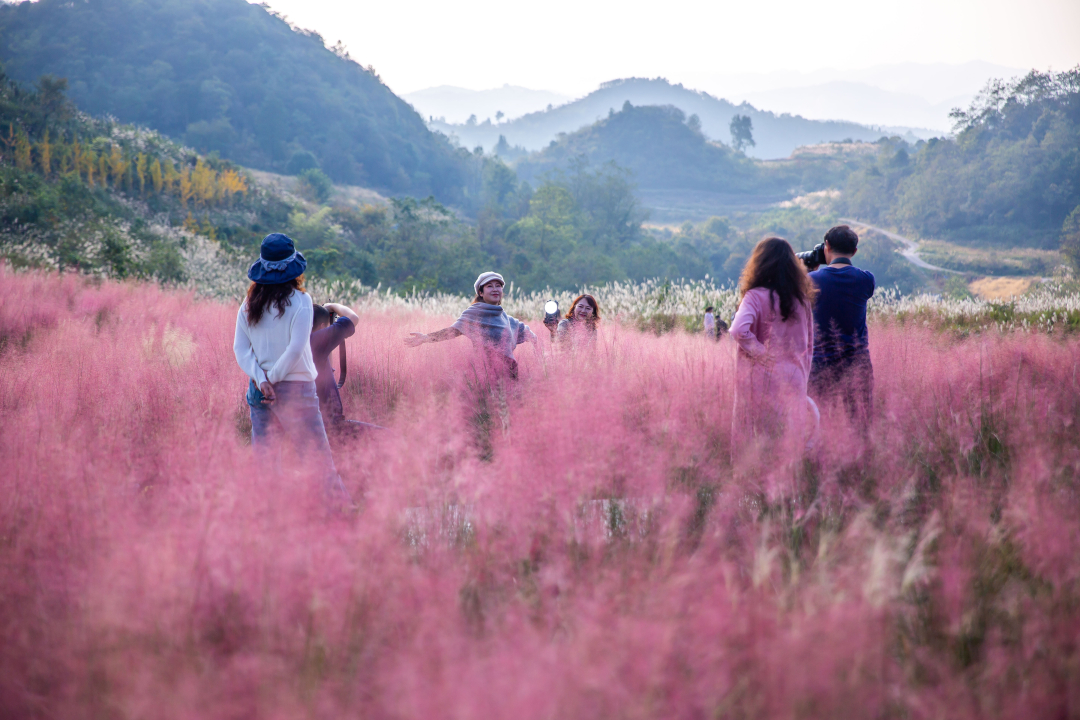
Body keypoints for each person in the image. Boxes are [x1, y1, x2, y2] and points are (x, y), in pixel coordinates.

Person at [233, 233, 351, 506]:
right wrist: (271, 381)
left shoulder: (248, 305)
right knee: (320, 463)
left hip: (258, 391)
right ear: (293, 270)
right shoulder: (301, 302)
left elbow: (241, 350)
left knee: (265, 466)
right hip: (296, 391)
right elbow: (297, 349)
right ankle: (343, 519)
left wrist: (262, 381)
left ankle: (270, 525)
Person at [730, 237, 818, 451]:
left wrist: (760, 351)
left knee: (759, 441)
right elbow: (809, 346)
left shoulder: (754, 297)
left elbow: (737, 329)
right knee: (789, 441)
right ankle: (790, 482)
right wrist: (802, 376)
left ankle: (753, 481)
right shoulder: (802, 300)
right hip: (794, 376)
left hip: (762, 377)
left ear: (759, 264)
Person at [404, 271, 537, 379]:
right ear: (481, 292)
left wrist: (539, 349)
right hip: (487, 375)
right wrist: (426, 338)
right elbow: (454, 330)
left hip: (509, 374)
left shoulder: (506, 319)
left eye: (498, 285)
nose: (495, 289)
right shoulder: (475, 313)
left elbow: (526, 332)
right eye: (489, 286)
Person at [806, 225, 876, 423]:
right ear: (854, 251)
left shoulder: (811, 280)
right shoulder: (866, 279)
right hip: (858, 365)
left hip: (821, 365)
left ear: (826, 245)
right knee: (860, 423)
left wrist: (808, 271)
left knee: (822, 423)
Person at [310, 302, 384, 437]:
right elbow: (353, 317)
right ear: (322, 327)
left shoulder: (299, 343)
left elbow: (327, 369)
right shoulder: (316, 340)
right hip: (331, 426)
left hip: (312, 425)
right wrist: (332, 305)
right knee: (388, 437)